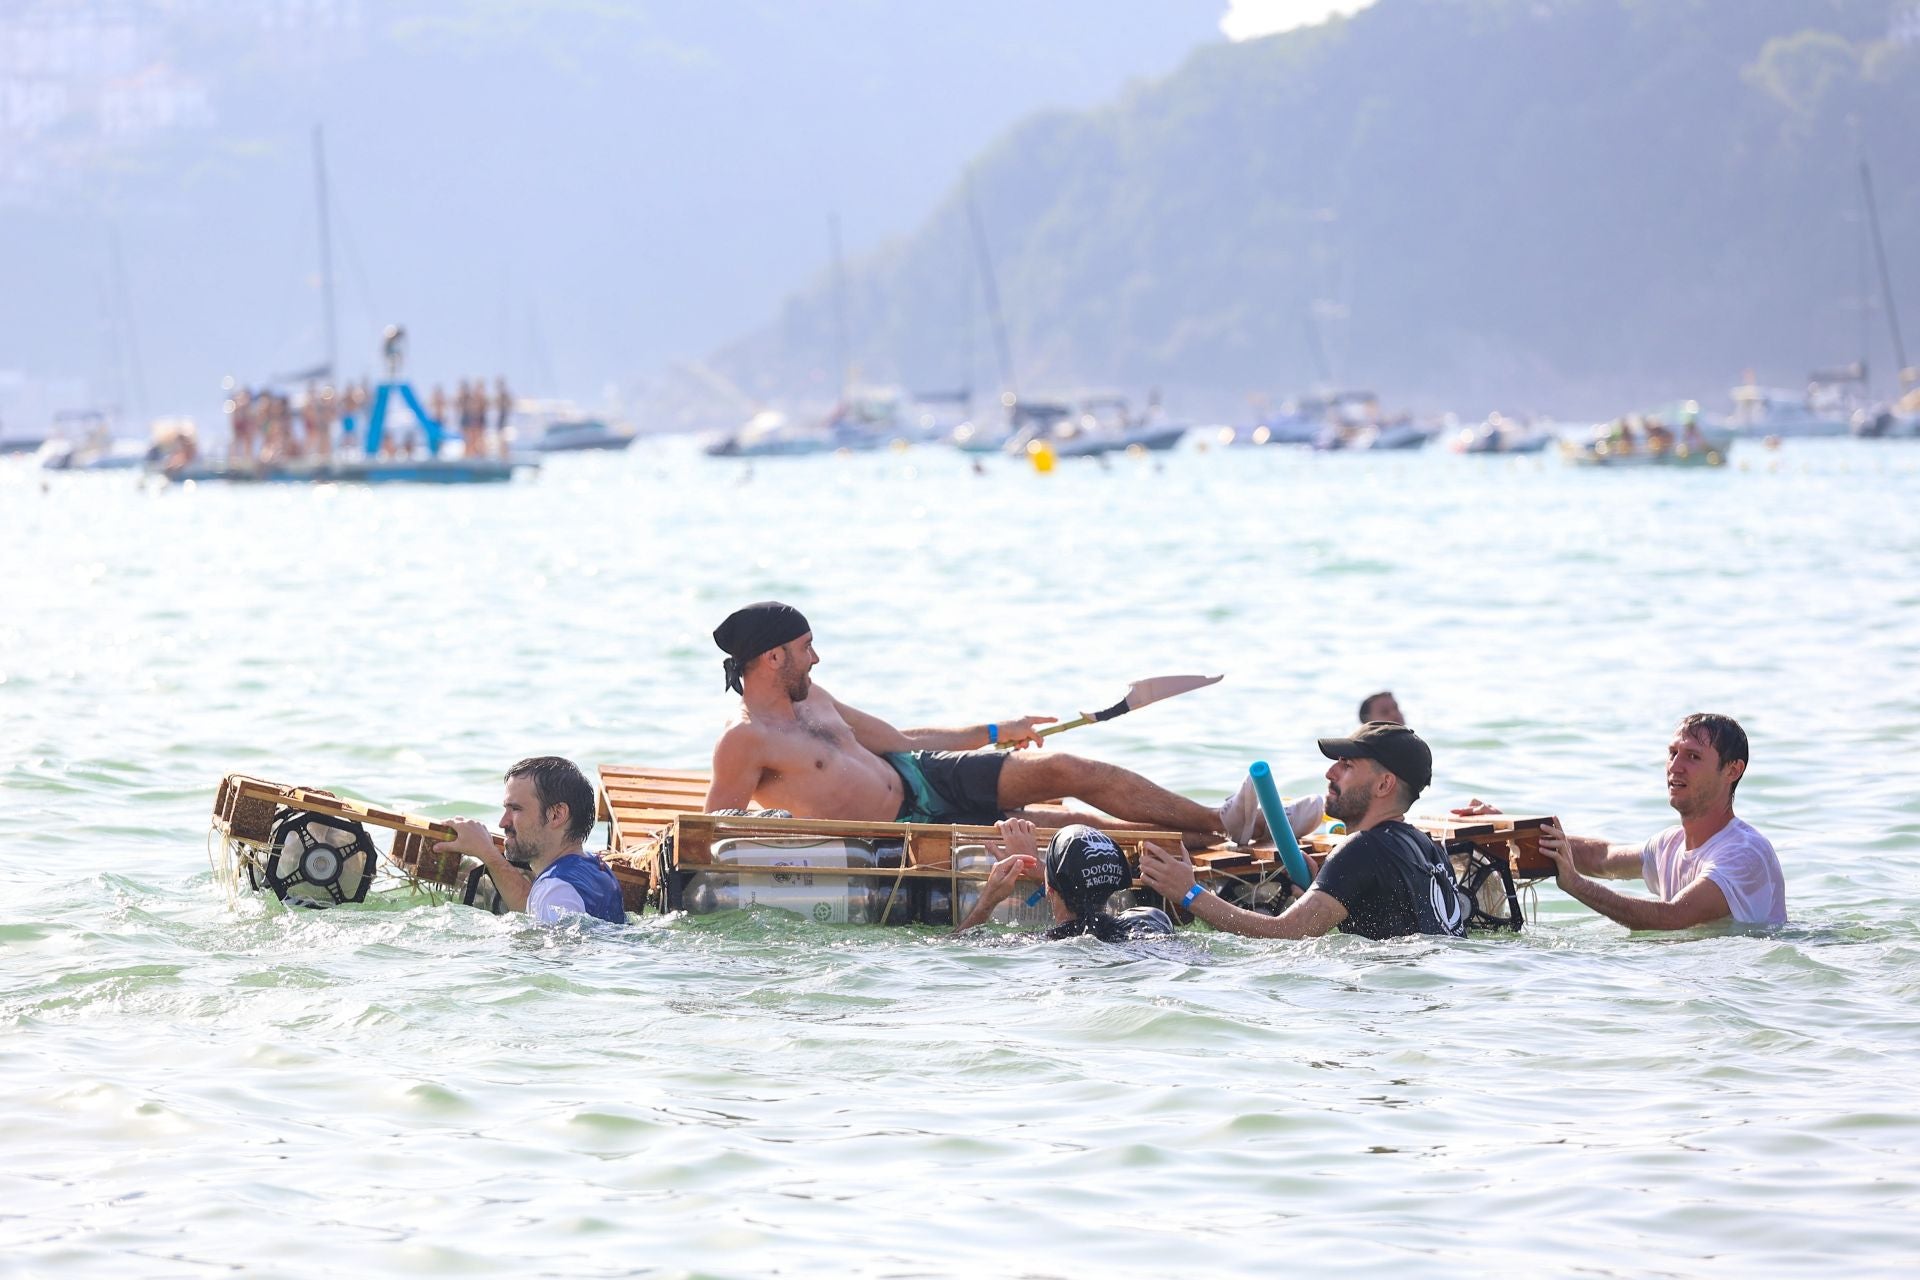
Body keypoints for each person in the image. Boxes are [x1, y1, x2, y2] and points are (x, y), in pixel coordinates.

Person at [704, 601, 1226, 839]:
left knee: (1070, 768)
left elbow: (899, 739)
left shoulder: (814, 695)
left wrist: (997, 731)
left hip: (921, 774)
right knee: (1075, 826)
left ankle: (1223, 821)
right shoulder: (746, 741)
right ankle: (1220, 838)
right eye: (806, 647)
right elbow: (710, 835)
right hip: (912, 831)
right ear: (773, 658)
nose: (815, 658)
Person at [1454, 714, 1784, 930]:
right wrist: (1512, 828)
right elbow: (1601, 859)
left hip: (1742, 993)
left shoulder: (1743, 853)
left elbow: (1673, 917)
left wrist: (1578, 886)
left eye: (1693, 757)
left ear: (1732, 770)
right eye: (1673, 753)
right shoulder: (1669, 843)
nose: (1674, 767)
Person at [1141, 723, 1467, 941]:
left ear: (1384, 784)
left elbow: (1287, 934)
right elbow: (1401, 922)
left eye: (1348, 766)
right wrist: (1326, 891)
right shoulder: (1427, 846)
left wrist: (1188, 893)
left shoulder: (1362, 849)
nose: (1330, 772)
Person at [434, 756, 625, 924]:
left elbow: (552, 960)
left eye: (515, 809)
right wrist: (487, 854)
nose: (502, 822)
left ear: (556, 815)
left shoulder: (555, 890)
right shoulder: (598, 868)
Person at [954, 818, 1172, 940]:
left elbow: (955, 949)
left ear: (1049, 887)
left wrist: (988, 900)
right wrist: (1046, 873)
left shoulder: (1037, 944)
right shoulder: (1152, 920)